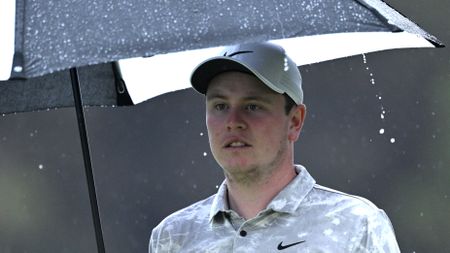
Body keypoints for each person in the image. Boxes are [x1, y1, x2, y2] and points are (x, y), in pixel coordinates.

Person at [149, 42, 400, 252]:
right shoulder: (173, 236)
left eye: (252, 106)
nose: (233, 122)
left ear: (295, 121)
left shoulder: (356, 224)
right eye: (220, 106)